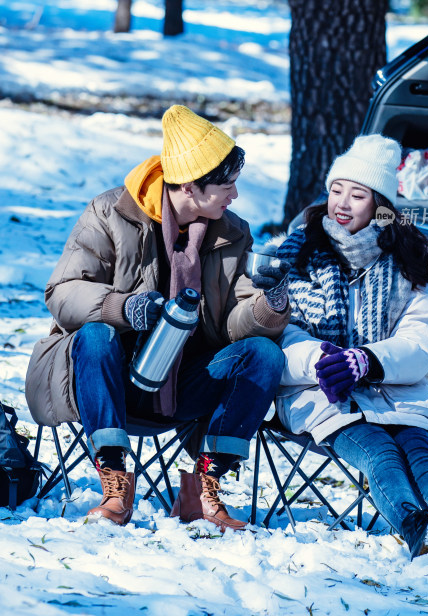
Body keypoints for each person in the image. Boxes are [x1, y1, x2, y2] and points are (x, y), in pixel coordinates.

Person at [26, 105, 290, 530]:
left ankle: (204, 487)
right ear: (189, 185)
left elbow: (234, 324)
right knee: (96, 335)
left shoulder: (232, 233)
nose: (235, 195)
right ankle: (114, 482)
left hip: (185, 380)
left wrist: (271, 303)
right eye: (226, 185)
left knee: (262, 354)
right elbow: (62, 291)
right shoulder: (110, 212)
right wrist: (122, 307)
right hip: (108, 379)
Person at [275, 133, 428, 566]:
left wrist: (368, 361)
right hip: (320, 392)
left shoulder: (403, 263)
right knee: (381, 452)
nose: (343, 202)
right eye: (336, 190)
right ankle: (419, 533)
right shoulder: (299, 254)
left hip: (394, 389)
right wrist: (323, 360)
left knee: (418, 451)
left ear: (379, 206)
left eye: (357, 194)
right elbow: (282, 331)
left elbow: (422, 338)